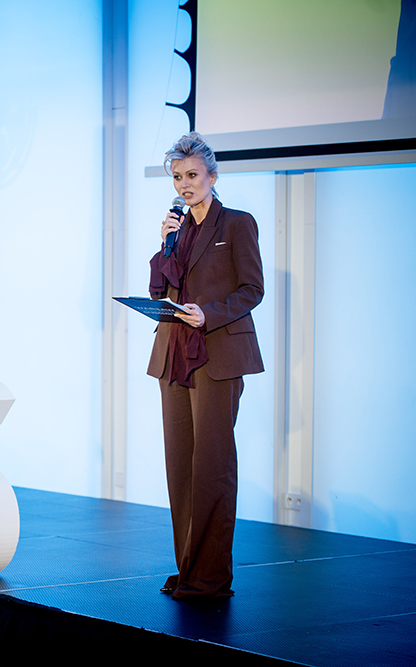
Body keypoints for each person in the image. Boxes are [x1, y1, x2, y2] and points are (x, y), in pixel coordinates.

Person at [148, 132, 264, 600]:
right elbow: (159, 291)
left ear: (213, 177)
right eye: (178, 177)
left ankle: (210, 578)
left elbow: (252, 290)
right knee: (180, 468)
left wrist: (208, 314)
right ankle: (188, 569)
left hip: (216, 355)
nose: (184, 184)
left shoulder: (237, 223)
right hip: (174, 355)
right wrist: (164, 244)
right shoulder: (177, 230)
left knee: (212, 466)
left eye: (192, 175)